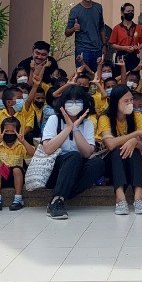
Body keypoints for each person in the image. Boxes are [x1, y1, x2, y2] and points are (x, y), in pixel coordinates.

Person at [39, 85, 104, 220]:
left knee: (98, 164)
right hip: (54, 170)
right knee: (73, 156)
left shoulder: (87, 123)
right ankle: (57, 200)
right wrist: (68, 128)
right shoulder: (54, 119)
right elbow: (48, 149)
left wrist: (75, 129)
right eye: (70, 101)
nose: (74, 105)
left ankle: (59, 197)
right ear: (63, 103)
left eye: (78, 101)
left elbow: (87, 153)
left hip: (76, 170)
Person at [98, 84, 142, 216]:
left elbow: (141, 145)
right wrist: (134, 136)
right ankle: (120, 198)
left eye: (131, 100)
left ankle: (138, 197)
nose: (130, 104)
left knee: (134, 150)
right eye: (126, 101)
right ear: (115, 102)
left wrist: (134, 142)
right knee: (117, 151)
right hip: (112, 164)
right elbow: (110, 144)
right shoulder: (105, 117)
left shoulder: (136, 115)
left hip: (132, 161)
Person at [0, 114, 34, 211]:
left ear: (17, 132)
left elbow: (32, 153)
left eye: (12, 131)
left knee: (16, 169)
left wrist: (23, 141)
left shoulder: (21, 145)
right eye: (6, 131)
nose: (9, 134)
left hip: (17, 177)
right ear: (2, 131)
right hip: (2, 178)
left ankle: (18, 199)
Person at [64, 0, 108, 71]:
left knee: (97, 76)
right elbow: (67, 33)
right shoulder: (75, 10)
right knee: (82, 76)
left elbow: (101, 27)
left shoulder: (98, 7)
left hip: (97, 49)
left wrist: (104, 45)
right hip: (82, 50)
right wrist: (74, 29)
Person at [108, 3, 142, 74]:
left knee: (134, 77)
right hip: (121, 56)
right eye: (128, 11)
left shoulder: (138, 27)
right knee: (120, 77)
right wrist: (124, 48)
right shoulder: (117, 28)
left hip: (133, 56)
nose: (131, 13)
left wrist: (137, 47)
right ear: (122, 13)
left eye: (132, 11)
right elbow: (112, 44)